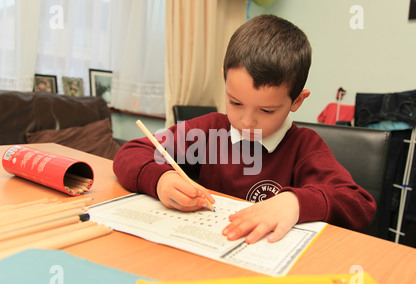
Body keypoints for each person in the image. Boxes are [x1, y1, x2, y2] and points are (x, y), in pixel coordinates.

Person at [113, 15, 375, 245]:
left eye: (266, 111)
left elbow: (359, 204)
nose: (247, 122)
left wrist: (294, 203)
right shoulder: (209, 131)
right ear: (225, 81)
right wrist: (160, 179)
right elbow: (132, 152)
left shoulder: (304, 147)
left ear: (297, 101)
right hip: (201, 253)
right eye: (235, 103)